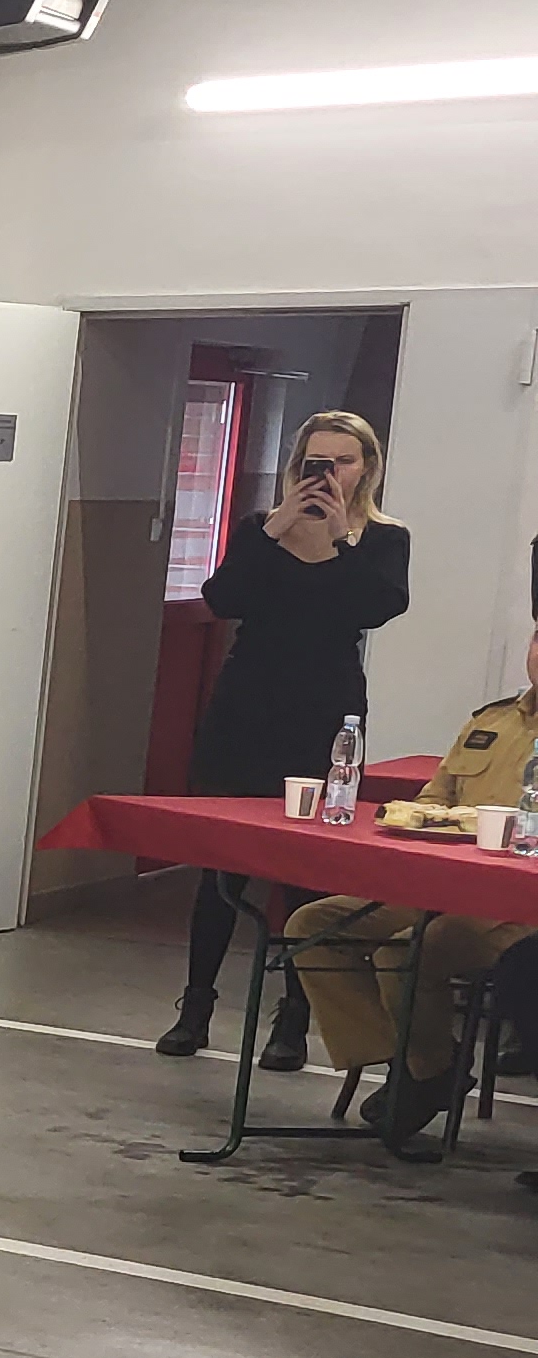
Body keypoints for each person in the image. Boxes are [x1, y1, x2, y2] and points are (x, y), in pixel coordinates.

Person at [158, 409, 410, 1061]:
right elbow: (223, 597)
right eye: (315, 462)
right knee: (221, 869)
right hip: (247, 705)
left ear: (366, 469)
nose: (327, 474)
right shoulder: (260, 530)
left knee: (306, 871)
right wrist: (276, 528)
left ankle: (294, 1018)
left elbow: (377, 605)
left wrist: (339, 539)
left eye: (342, 462)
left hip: (323, 710)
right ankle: (195, 1006)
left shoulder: (382, 539)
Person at [282, 621, 537, 1154]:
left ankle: (422, 1073)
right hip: (437, 884)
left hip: (514, 904)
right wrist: (430, 818)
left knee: (409, 950)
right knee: (313, 925)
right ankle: (419, 1063)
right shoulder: (490, 721)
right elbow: (432, 799)